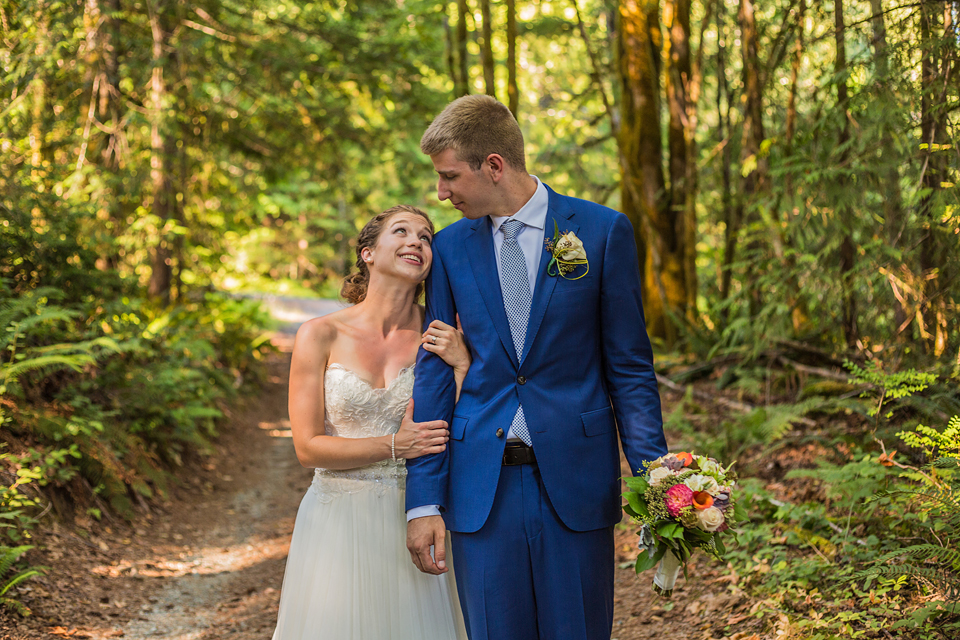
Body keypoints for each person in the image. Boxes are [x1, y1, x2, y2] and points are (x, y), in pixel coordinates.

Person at [404, 96, 669, 640]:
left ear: (493, 165)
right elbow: (433, 374)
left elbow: (629, 368)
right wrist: (424, 500)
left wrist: (658, 481)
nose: (441, 193)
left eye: (449, 176)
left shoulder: (601, 231)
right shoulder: (449, 249)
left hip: (575, 480)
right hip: (481, 487)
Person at [273, 205, 469, 640]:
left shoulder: (442, 334)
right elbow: (307, 448)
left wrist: (462, 366)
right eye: (401, 232)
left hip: (419, 509)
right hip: (337, 519)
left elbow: (461, 424)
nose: (416, 241)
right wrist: (395, 445)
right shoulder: (319, 334)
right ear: (368, 253)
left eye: (425, 237)